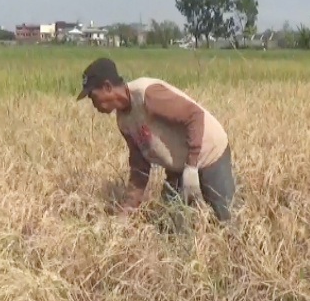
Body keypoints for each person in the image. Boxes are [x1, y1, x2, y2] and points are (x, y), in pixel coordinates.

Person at [76, 57, 235, 222]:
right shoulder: (124, 121)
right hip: (179, 165)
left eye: (93, 96)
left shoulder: (148, 95)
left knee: (226, 217)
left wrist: (192, 167)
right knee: (171, 225)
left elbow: (194, 115)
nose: (93, 104)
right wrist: (128, 208)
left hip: (209, 152)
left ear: (107, 87)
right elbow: (140, 167)